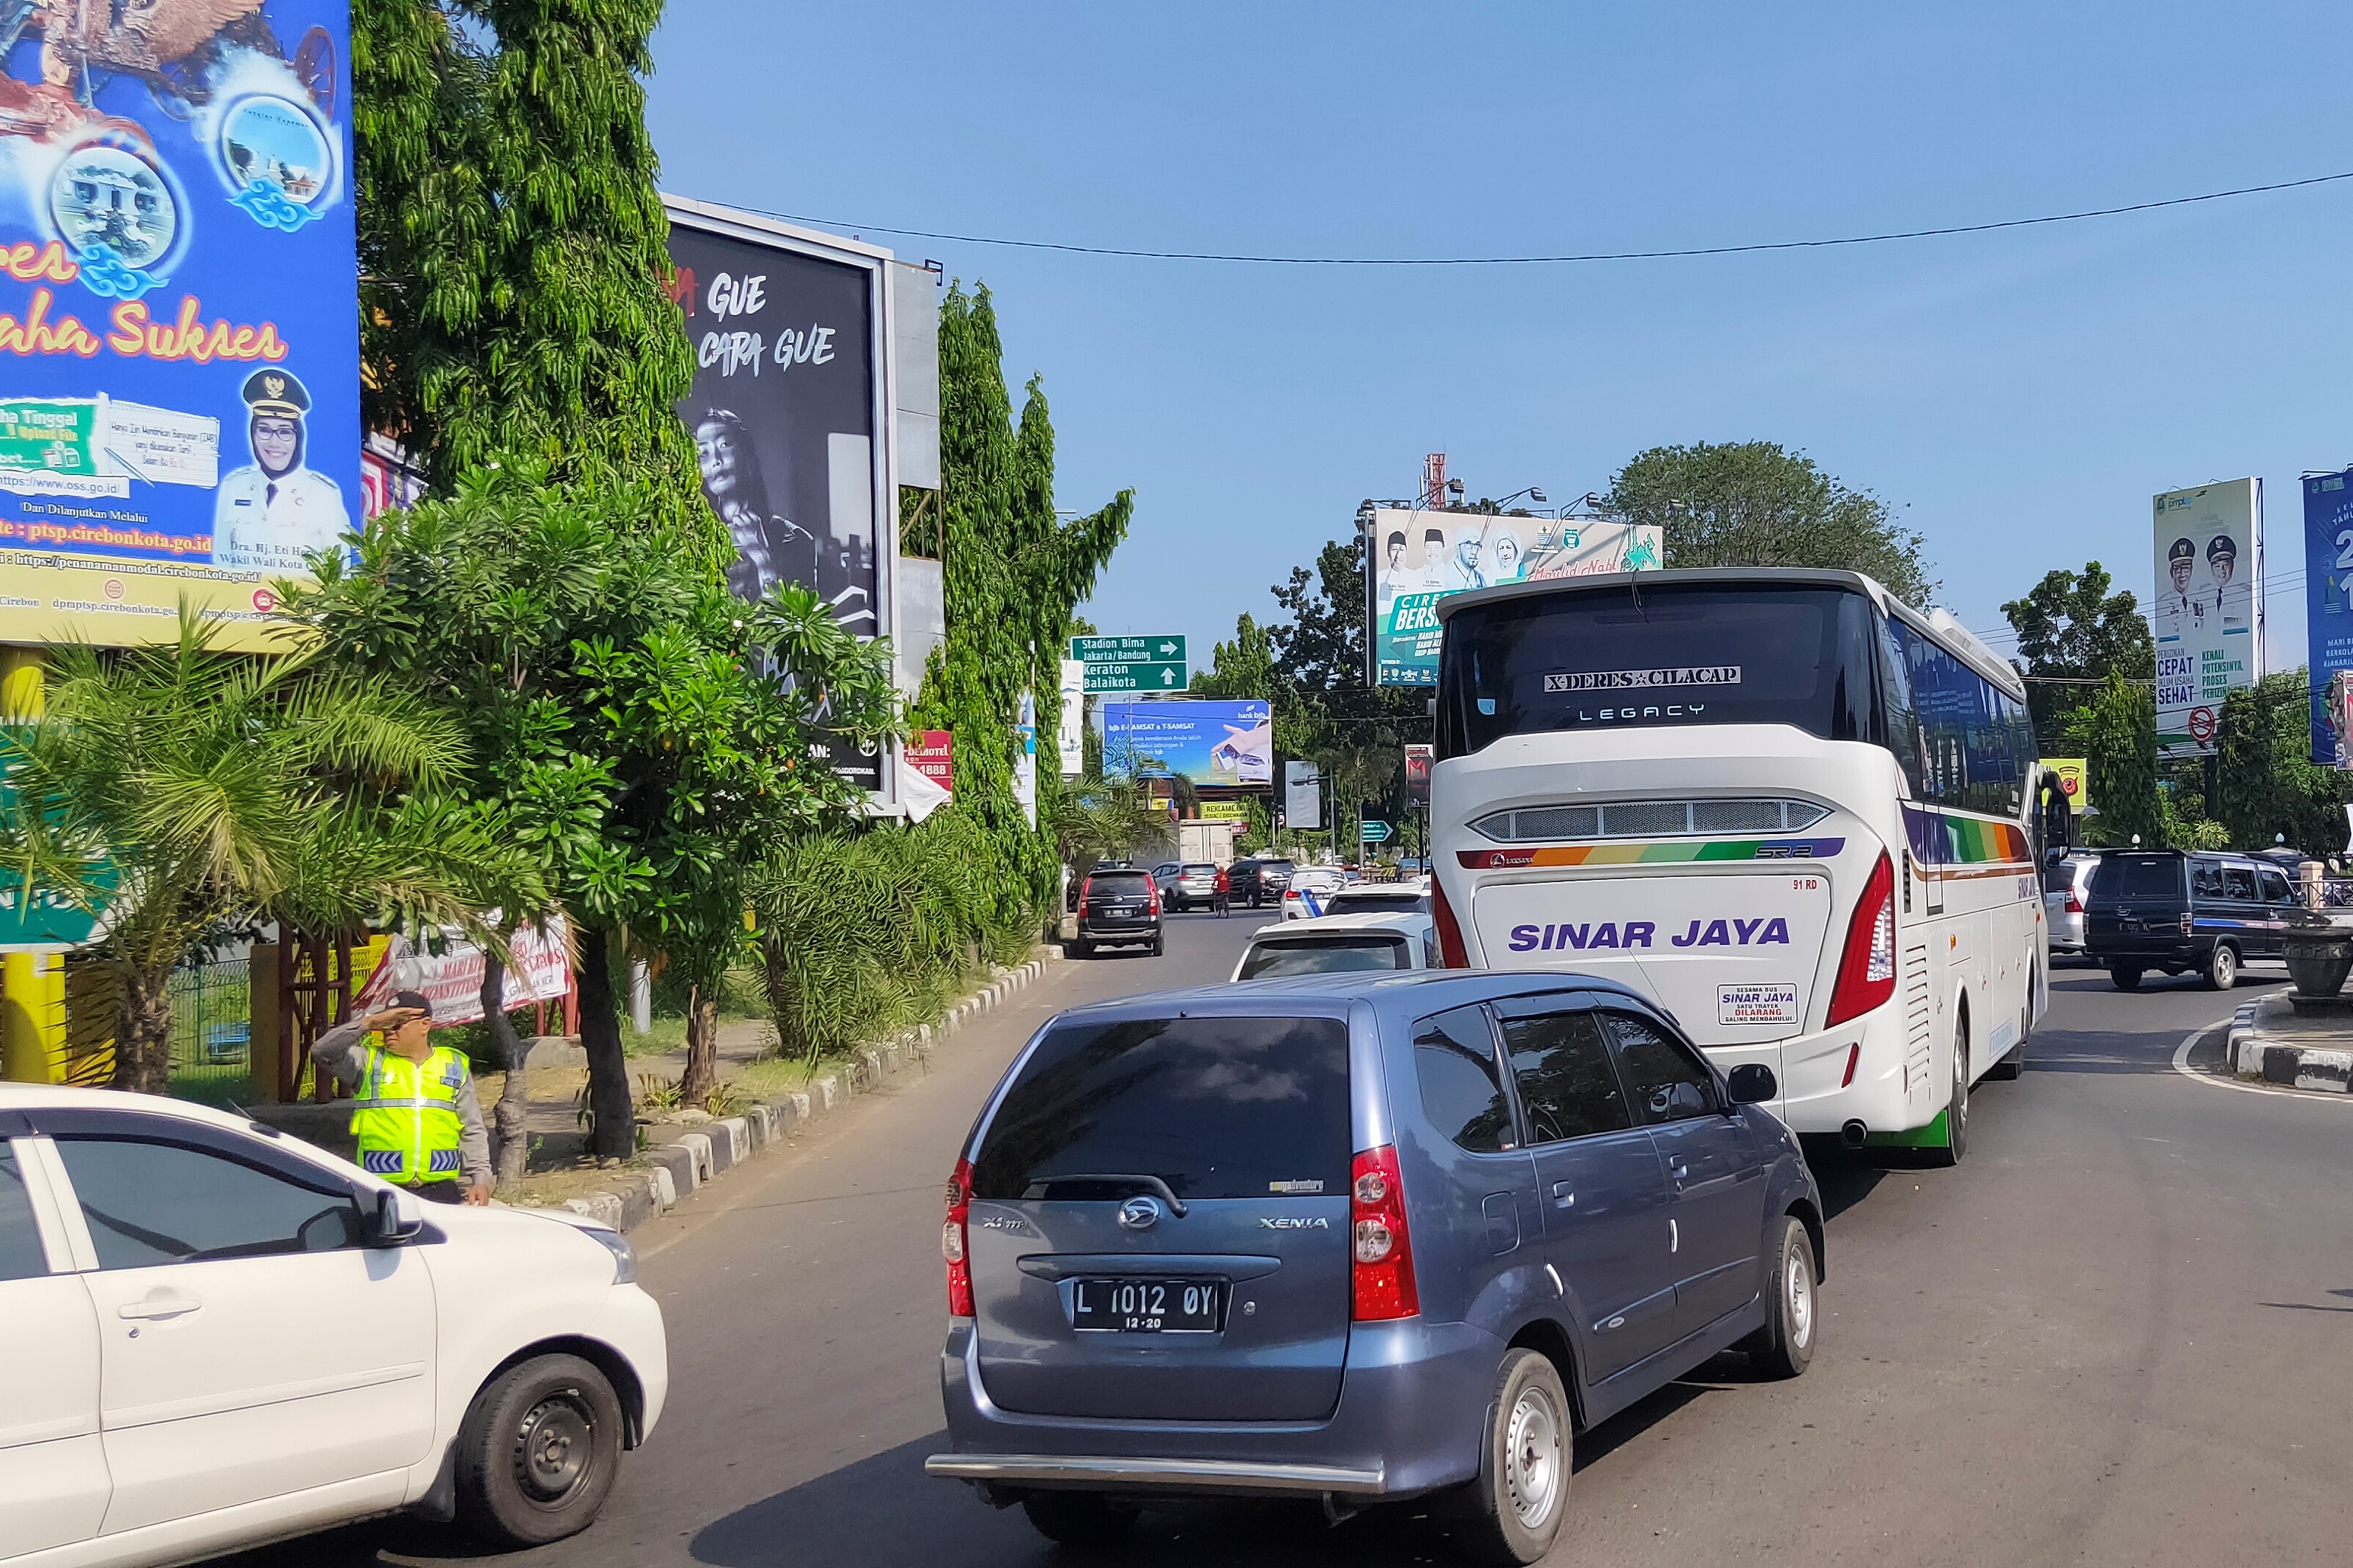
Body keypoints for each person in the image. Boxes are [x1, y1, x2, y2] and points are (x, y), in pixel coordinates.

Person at [311, 991, 493, 1204]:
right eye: (386, 1024)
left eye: (397, 1024)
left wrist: (480, 1179)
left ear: (425, 1025)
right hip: (380, 1188)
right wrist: (369, 1023)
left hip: (440, 1190)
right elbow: (322, 1051)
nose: (388, 1031)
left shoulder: (453, 1066)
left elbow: (471, 1126)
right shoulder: (368, 1062)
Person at [212, 367, 352, 572]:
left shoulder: (324, 496)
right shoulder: (234, 487)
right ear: (253, 434)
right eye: (264, 430)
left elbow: (339, 574)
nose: (274, 442)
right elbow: (222, 565)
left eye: (285, 432)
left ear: (299, 437)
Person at [693, 408, 818, 601]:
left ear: (747, 455)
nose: (716, 461)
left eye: (725, 444)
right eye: (704, 453)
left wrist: (762, 557)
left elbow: (798, 616)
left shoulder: (796, 540)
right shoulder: (691, 539)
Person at [2156, 536, 2196, 644]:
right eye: (2177, 569)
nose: (2182, 574)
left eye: (2186, 569)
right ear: (2171, 572)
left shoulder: (2200, 599)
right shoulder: (2163, 604)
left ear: (2191, 570)